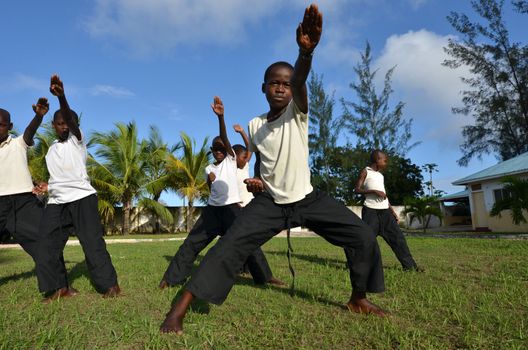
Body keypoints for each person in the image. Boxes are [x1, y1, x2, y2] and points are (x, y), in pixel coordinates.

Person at [160, 4, 387, 335]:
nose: (281, 87)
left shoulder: (298, 112)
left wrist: (305, 53)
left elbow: (301, 77)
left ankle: (358, 298)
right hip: (270, 203)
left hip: (308, 199)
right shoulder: (254, 126)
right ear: (263, 88)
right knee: (227, 248)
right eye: (274, 83)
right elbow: (264, 159)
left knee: (364, 236)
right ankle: (177, 311)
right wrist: (258, 181)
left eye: (286, 83)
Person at [159, 97, 282, 290]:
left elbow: (223, 136)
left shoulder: (231, 160)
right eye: (215, 149)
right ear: (211, 151)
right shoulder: (209, 168)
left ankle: (265, 277)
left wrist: (221, 118)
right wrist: (211, 182)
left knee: (248, 242)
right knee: (191, 243)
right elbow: (211, 188)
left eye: (221, 148)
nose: (218, 151)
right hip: (212, 212)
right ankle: (171, 278)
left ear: (227, 149)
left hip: (232, 209)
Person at [37, 75, 120, 301]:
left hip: (82, 198)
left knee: (92, 243)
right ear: (53, 126)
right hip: (56, 201)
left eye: (68, 123)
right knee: (46, 244)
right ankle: (60, 288)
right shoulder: (51, 149)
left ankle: (110, 285)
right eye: (60, 123)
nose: (64, 127)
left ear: (75, 126)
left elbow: (71, 122)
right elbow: (59, 175)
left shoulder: (78, 140)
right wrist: (47, 185)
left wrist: (61, 96)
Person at [0, 99, 64, 294]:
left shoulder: (18, 143)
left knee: (44, 242)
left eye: (1, 125)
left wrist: (39, 116)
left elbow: (29, 132)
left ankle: (58, 287)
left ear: (9, 126)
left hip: (23, 202)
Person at [355, 150, 421, 271]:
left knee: (398, 239)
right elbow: (357, 189)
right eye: (385, 160)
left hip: (385, 212)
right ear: (377, 160)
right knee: (366, 241)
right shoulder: (365, 171)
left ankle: (410, 267)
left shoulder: (380, 176)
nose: (386, 163)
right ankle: (358, 266)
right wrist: (373, 191)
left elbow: (384, 195)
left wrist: (392, 211)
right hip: (370, 212)